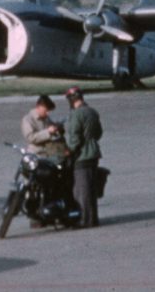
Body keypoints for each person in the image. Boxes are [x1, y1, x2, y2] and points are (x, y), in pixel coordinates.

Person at [64, 86, 103, 228]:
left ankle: (84, 220)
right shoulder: (92, 112)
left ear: (71, 99)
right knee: (92, 189)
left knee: (82, 190)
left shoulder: (76, 115)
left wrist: (69, 151)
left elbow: (75, 138)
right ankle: (93, 218)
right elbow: (98, 133)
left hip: (82, 156)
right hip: (94, 153)